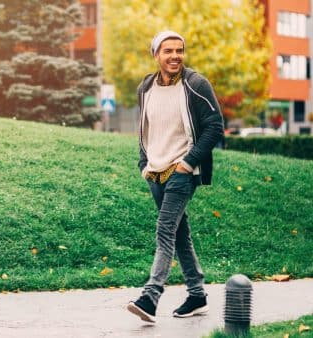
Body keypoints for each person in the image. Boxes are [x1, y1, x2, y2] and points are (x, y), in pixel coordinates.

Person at [126, 31, 224, 323]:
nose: (175, 56)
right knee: (180, 234)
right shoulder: (146, 86)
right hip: (155, 172)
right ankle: (196, 293)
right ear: (155, 54)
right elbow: (146, 127)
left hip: (182, 171)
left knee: (165, 229)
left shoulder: (195, 85)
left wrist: (188, 162)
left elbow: (215, 127)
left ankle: (151, 296)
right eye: (167, 51)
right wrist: (144, 162)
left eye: (179, 50)